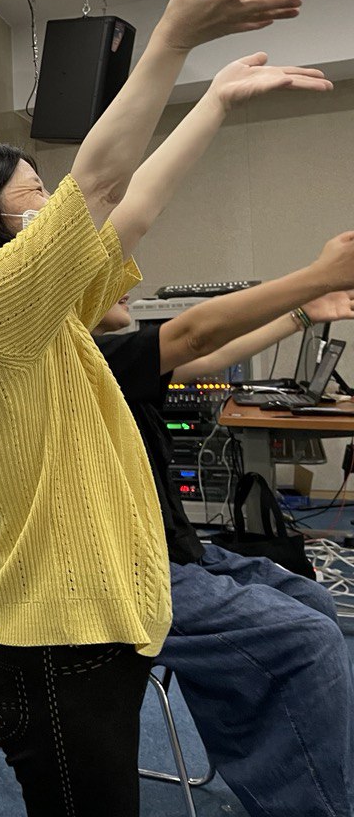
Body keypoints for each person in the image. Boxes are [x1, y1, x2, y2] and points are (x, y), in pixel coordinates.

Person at [0, 0, 314, 817]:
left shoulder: (46, 318)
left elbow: (126, 210)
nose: (56, 206)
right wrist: (171, 41)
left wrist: (216, 104)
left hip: (99, 629)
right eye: (35, 197)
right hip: (56, 652)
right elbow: (98, 186)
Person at [95, 255, 354, 817]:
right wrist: (320, 275)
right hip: (123, 573)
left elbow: (205, 360)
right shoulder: (84, 362)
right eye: (110, 270)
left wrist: (304, 316)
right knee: (306, 640)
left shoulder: (117, 362)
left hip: (169, 550)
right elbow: (194, 335)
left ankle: (291, 778)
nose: (131, 279)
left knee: (309, 599)